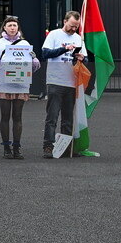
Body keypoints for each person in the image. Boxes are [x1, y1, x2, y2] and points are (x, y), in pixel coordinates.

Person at [0, 16, 41, 160]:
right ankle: (6, 147)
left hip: (21, 84)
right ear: (4, 28)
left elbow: (34, 66)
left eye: (15, 25)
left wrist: (34, 58)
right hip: (4, 84)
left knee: (18, 117)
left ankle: (17, 147)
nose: (12, 27)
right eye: (10, 25)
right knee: (5, 116)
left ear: (18, 28)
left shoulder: (25, 43)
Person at [40, 11, 85, 158]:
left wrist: (81, 57)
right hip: (55, 81)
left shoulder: (78, 38)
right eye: (71, 26)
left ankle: (65, 147)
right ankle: (48, 146)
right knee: (52, 117)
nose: (73, 29)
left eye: (76, 27)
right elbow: (45, 54)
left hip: (71, 82)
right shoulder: (54, 34)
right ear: (65, 21)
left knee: (68, 118)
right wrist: (64, 49)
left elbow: (84, 58)